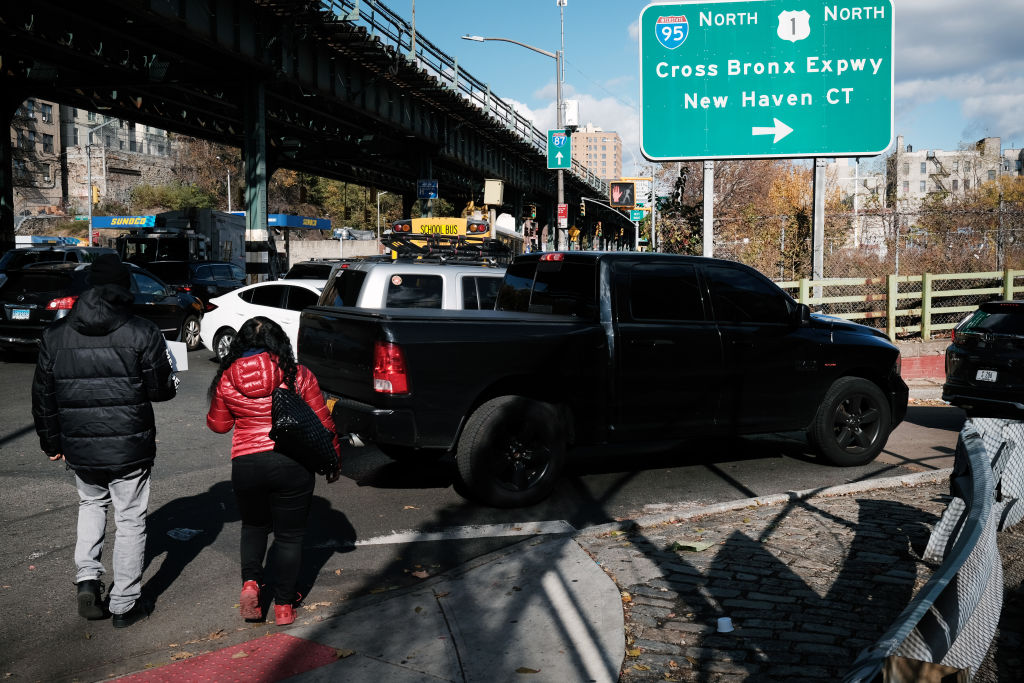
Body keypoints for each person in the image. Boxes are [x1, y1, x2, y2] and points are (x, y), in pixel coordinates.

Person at [32, 253, 177, 628]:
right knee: (130, 520)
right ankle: (125, 604)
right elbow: (160, 391)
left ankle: (87, 580)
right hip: (130, 446)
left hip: (80, 446)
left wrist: (52, 443)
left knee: (91, 505)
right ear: (124, 288)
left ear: (89, 286)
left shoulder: (55, 334)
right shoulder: (142, 330)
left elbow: (43, 395)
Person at [206, 316, 341, 626]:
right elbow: (323, 423)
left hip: (247, 464)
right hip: (292, 463)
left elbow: (219, 425)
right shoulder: (298, 374)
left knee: (253, 526)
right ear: (280, 342)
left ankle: (251, 585)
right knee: (290, 537)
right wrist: (334, 460)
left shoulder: (227, 377)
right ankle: (283, 606)